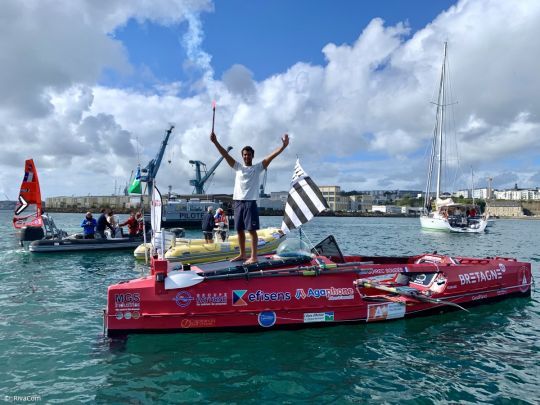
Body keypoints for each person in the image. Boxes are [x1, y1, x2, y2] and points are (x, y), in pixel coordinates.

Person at [210, 131, 289, 264]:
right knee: (240, 230)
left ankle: (254, 257)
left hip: (250, 203)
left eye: (248, 155)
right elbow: (225, 154)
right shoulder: (238, 167)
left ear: (252, 156)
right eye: (244, 155)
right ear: (242, 156)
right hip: (238, 202)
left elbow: (271, 156)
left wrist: (283, 147)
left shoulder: (257, 168)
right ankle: (242, 254)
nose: (246, 156)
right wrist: (215, 142)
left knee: (251, 231)